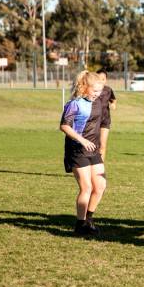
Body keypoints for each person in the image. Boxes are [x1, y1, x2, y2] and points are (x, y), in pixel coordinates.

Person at [60, 71, 107, 236]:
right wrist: (82, 140)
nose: (97, 94)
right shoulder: (75, 104)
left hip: (93, 150)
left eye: (99, 91)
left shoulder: (98, 102)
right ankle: (80, 225)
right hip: (77, 150)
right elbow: (64, 126)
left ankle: (89, 220)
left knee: (100, 186)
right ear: (84, 87)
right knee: (86, 187)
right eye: (94, 91)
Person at [96, 68, 117, 162]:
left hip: (105, 120)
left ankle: (100, 168)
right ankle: (90, 166)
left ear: (106, 80)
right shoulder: (91, 89)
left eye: (103, 79)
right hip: (93, 121)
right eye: (99, 78)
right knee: (92, 145)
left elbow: (113, 99)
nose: (101, 81)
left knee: (102, 145)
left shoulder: (108, 90)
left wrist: (113, 104)